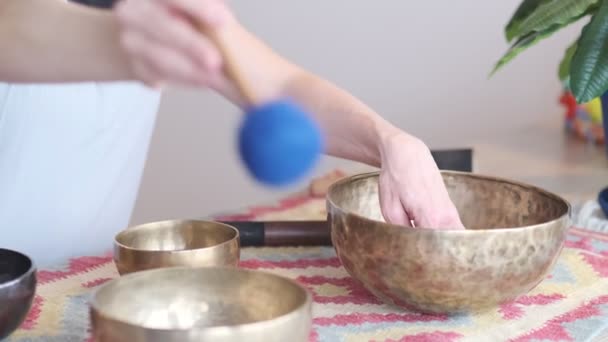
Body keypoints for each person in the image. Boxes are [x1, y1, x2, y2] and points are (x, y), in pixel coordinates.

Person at [0, 0, 463, 267]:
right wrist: (118, 40)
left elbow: (278, 86)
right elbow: (15, 27)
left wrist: (392, 142)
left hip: (70, 289)